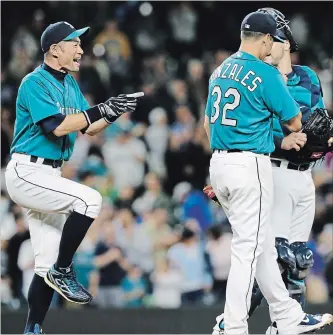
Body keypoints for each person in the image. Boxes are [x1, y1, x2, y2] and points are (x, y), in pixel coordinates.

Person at [4, 21, 144, 334]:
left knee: (44, 266)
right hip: (27, 171)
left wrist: (111, 112)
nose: (81, 49)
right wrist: (99, 109)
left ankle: (33, 328)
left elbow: (87, 127)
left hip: (49, 173)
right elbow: (56, 125)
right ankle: (65, 270)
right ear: (55, 50)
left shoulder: (70, 84)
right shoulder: (33, 82)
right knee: (90, 199)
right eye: (74, 43)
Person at [203, 11, 332, 335]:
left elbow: (208, 125)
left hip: (222, 161)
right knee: (250, 250)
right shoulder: (264, 73)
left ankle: (288, 317)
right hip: (254, 165)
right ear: (265, 40)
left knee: (261, 249)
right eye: (272, 39)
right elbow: (295, 124)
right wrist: (286, 138)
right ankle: (231, 325)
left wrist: (225, 164)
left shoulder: (221, 70)